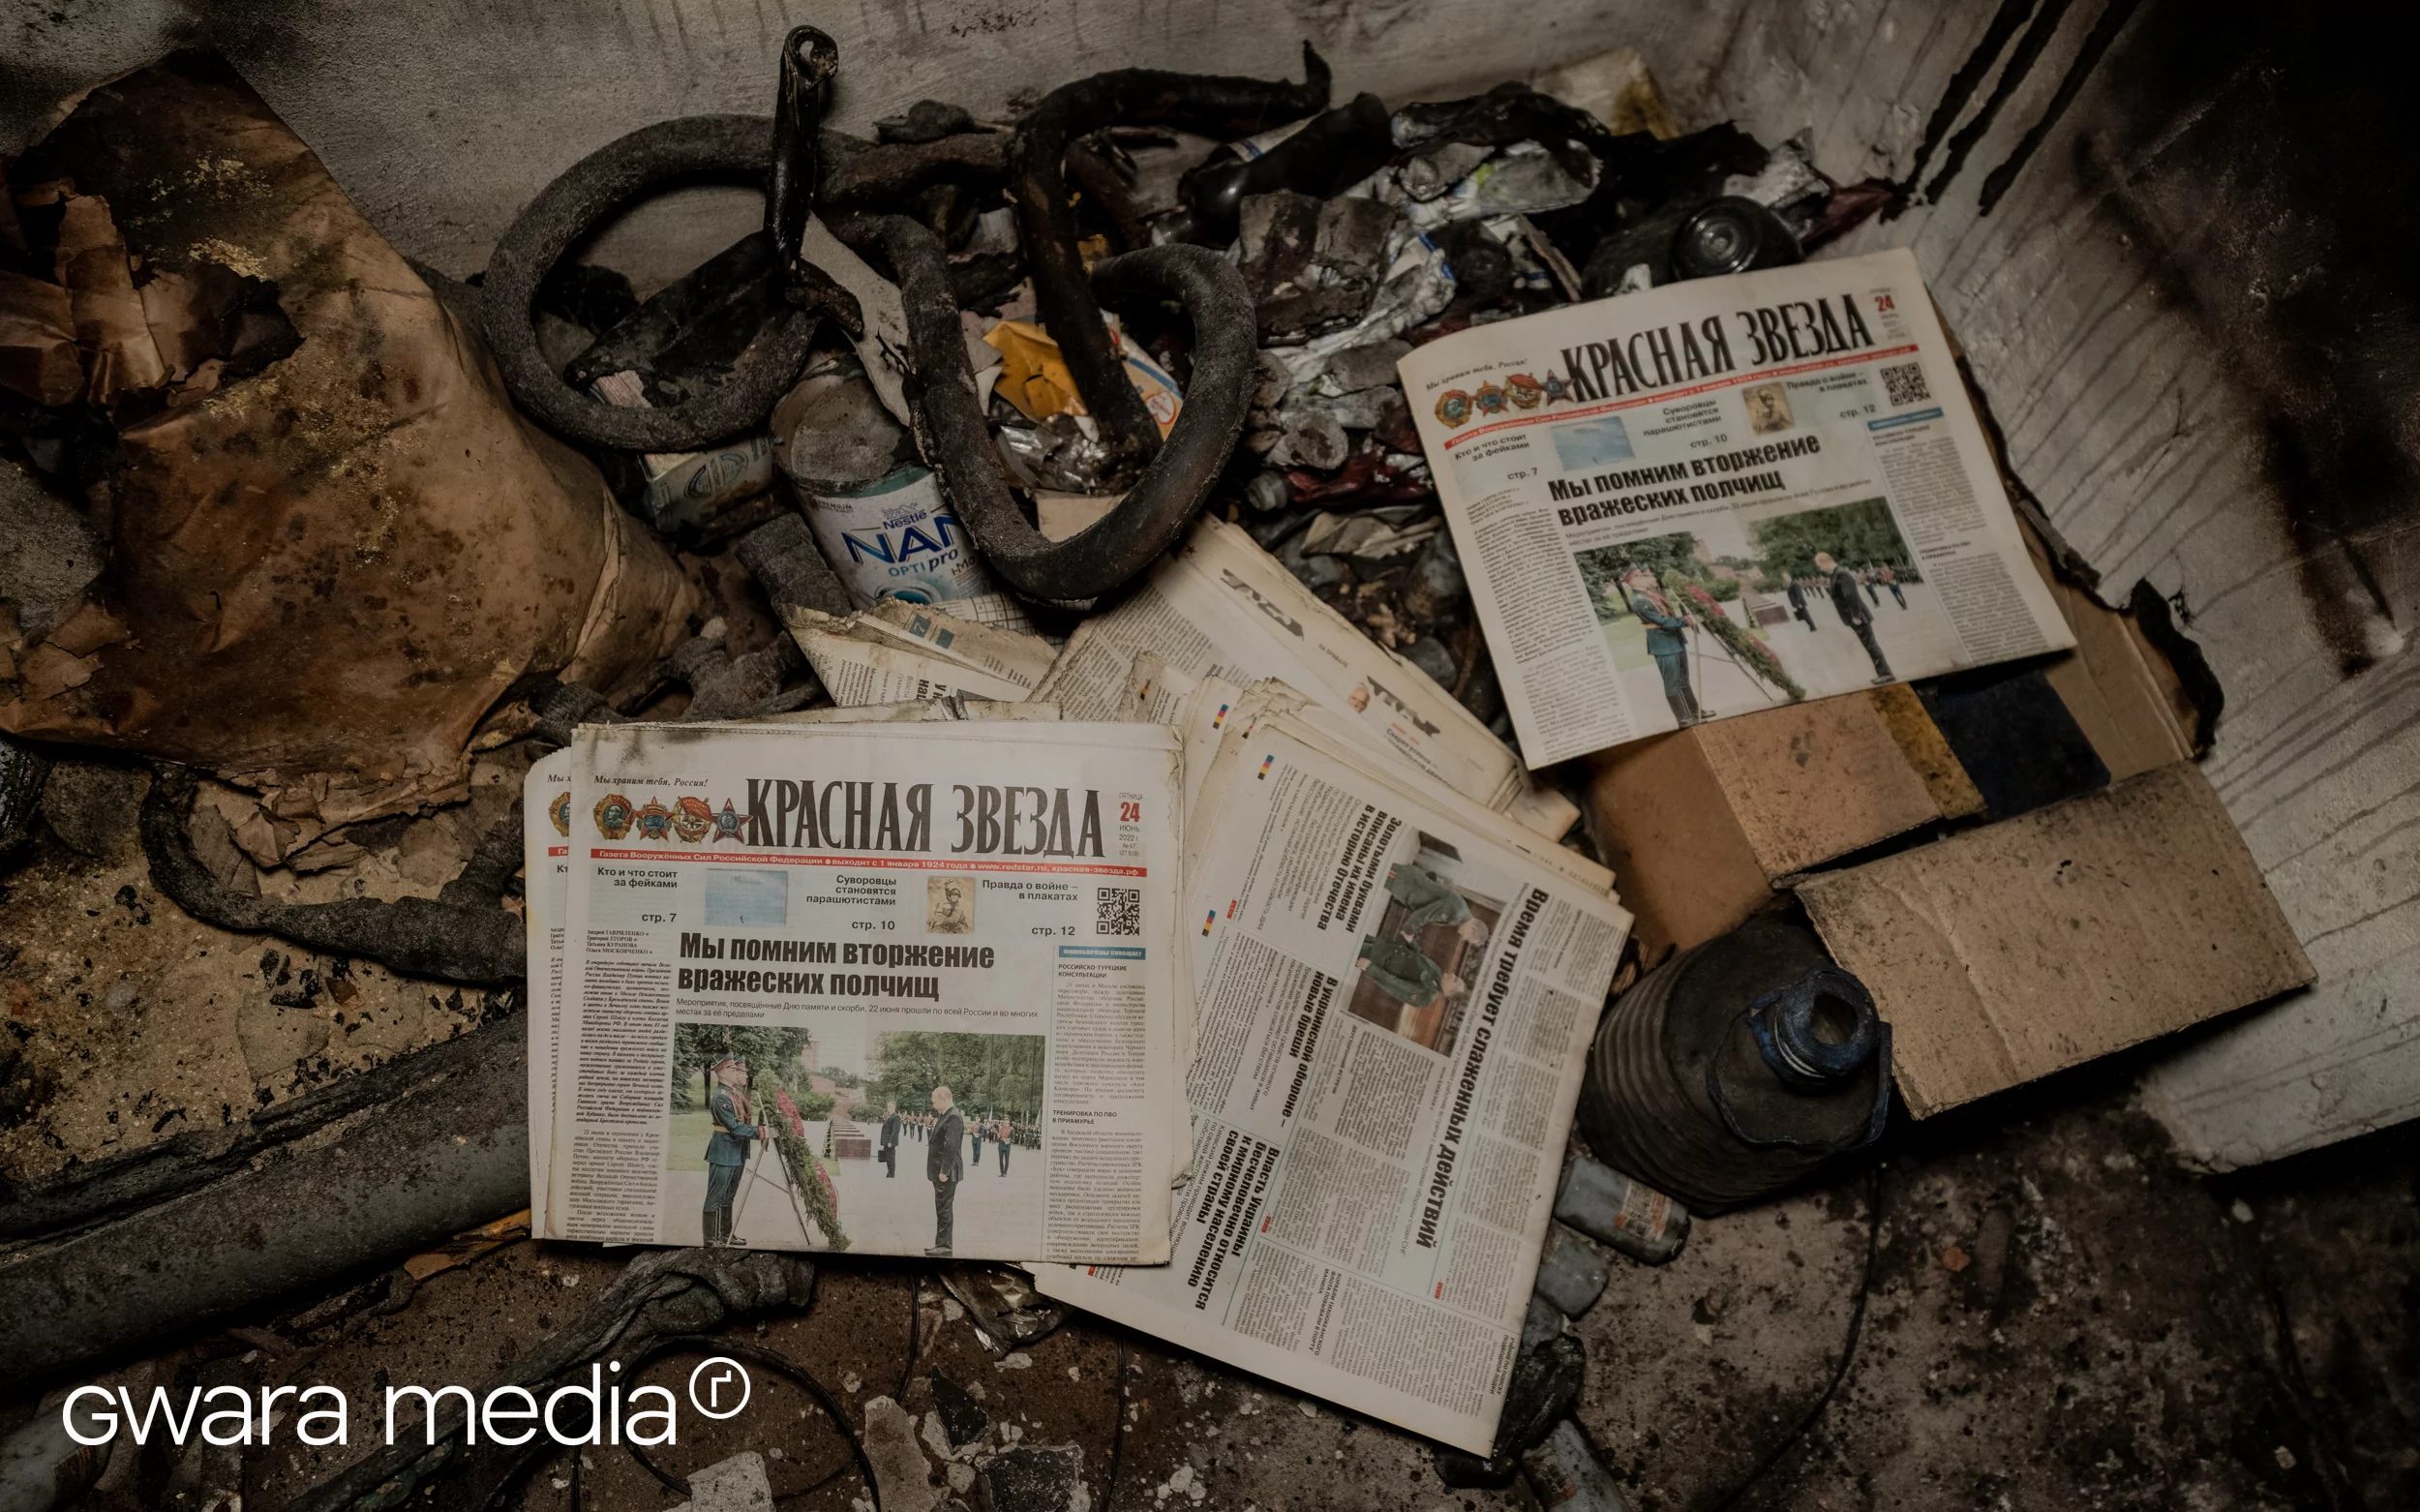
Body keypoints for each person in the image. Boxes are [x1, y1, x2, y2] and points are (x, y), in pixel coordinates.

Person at [1621, 567, 1699, 726]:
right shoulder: (1640, 602)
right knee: (1672, 683)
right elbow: (1663, 622)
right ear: (1633, 581)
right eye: (1640, 575)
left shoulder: (1651, 595)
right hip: (1663, 645)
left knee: (1683, 679)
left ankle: (1695, 712)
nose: (1645, 577)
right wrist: (1686, 620)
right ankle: (1683, 719)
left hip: (1675, 640)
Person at [701, 1056, 759, 1247]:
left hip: (736, 1151)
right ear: (723, 1073)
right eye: (733, 1070)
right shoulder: (721, 1097)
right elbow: (734, 1127)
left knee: (728, 1196)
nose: (737, 1072)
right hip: (724, 1151)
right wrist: (760, 1132)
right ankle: (711, 1240)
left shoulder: (732, 1094)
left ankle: (726, 1235)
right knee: (715, 1196)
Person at [1815, 552, 1893, 683]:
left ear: (1825, 561)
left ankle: (1886, 674)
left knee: (1871, 645)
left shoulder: (1841, 573)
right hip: (1854, 617)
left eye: (1820, 565)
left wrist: (1855, 615)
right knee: (1869, 645)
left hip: (1858, 617)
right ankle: (1883, 673)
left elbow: (1851, 595)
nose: (1820, 568)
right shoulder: (1835, 574)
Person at [926, 1084, 963, 1255]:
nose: (933, 1105)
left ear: (944, 1099)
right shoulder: (946, 1115)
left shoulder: (953, 1116)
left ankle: (944, 1246)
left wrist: (944, 1171)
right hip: (942, 1171)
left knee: (945, 1209)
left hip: (946, 1173)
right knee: (942, 1208)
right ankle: (940, 1244)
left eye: (935, 1102)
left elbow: (951, 1146)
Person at [879, 1100, 900, 1178]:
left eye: (890, 1106)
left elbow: (895, 1131)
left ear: (894, 1107)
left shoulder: (896, 1117)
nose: (888, 1108)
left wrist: (890, 1141)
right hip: (886, 1141)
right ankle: (889, 1172)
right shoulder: (889, 1116)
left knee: (890, 1158)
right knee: (887, 1158)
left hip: (890, 1142)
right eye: (888, 1107)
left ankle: (891, 1174)